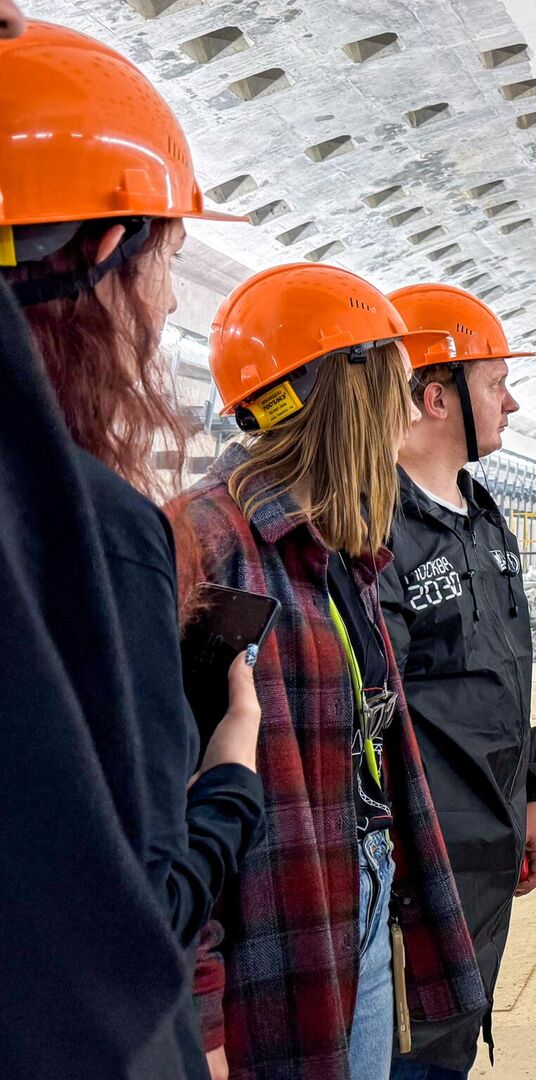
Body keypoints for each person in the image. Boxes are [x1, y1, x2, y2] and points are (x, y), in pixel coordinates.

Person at [1, 22, 266, 1078]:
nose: (164, 306)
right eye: (165, 261)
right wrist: (231, 771)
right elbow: (133, 909)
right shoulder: (93, 529)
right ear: (106, 247)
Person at [174, 263, 486, 1080]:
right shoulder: (207, 549)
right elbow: (170, 808)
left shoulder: (339, 547)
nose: (404, 411)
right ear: (344, 393)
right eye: (392, 384)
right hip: (278, 931)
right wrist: (197, 1013)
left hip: (358, 891)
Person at [382, 283, 536, 1080]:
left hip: (488, 849)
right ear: (433, 396)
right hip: (417, 871)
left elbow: (501, 676)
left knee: (453, 1041)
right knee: (410, 1053)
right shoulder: (371, 529)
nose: (512, 402)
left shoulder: (484, 518)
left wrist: (531, 793)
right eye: (494, 384)